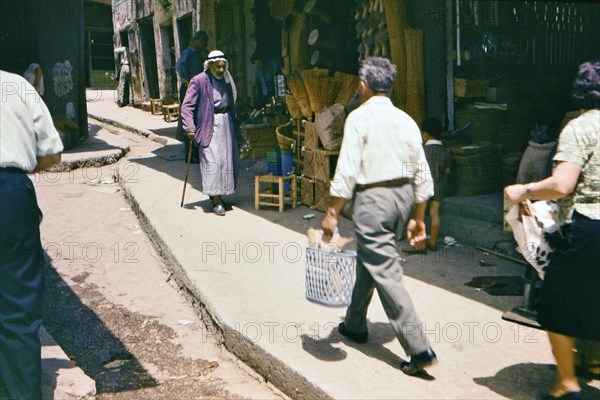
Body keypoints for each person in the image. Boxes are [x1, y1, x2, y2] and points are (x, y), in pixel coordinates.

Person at [321, 57, 437, 376]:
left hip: (374, 200)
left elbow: (346, 170)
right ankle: (355, 324)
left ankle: (419, 348)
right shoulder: (406, 121)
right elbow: (421, 171)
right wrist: (419, 215)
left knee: (384, 268)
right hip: (403, 198)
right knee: (370, 259)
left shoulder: (359, 118)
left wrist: (332, 212)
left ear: (363, 85)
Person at [505, 59, 600, 400]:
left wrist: (525, 190)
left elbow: (562, 185)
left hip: (589, 227)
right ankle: (594, 360)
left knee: (557, 305)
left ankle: (566, 384)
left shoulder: (580, 127)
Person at [0, 70, 64, 399]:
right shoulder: (16, 84)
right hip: (11, 195)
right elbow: (52, 153)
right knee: (18, 310)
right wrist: (20, 168)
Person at [180, 50, 243, 216]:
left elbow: (233, 103)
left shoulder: (227, 80)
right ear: (210, 65)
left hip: (226, 123)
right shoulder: (199, 80)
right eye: (218, 67)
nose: (221, 70)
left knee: (226, 160)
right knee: (211, 161)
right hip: (209, 123)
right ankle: (216, 201)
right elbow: (187, 107)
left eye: (223, 67)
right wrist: (190, 128)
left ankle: (219, 195)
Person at [176, 31, 209, 163]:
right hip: (189, 88)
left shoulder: (200, 54)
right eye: (204, 42)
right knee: (189, 119)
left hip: (199, 89)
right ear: (198, 40)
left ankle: (198, 151)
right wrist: (188, 80)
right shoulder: (188, 53)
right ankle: (190, 154)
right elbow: (179, 67)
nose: (204, 45)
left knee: (199, 118)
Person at [421, 117, 451, 251]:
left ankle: (420, 243)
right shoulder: (446, 152)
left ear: (425, 135)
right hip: (438, 184)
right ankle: (433, 242)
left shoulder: (421, 150)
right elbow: (448, 171)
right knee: (435, 214)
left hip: (423, 184)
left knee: (420, 213)